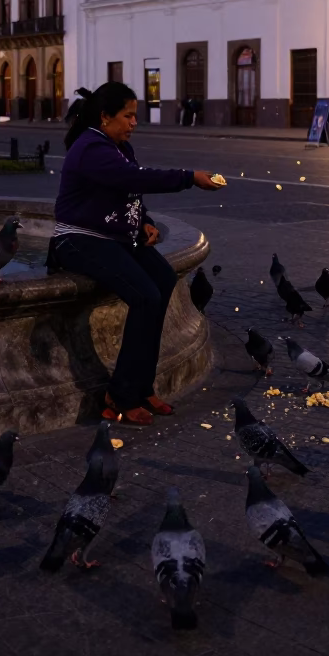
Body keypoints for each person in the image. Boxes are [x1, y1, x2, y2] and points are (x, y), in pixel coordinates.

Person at [48, 82, 222, 426]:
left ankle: (142, 386)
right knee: (144, 296)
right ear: (105, 116)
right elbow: (133, 177)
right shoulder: (91, 148)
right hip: (79, 240)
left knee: (161, 278)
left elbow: (129, 191)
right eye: (127, 116)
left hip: (113, 238)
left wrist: (144, 221)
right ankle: (121, 394)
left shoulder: (118, 146)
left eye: (135, 116)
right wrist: (189, 177)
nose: (133, 123)